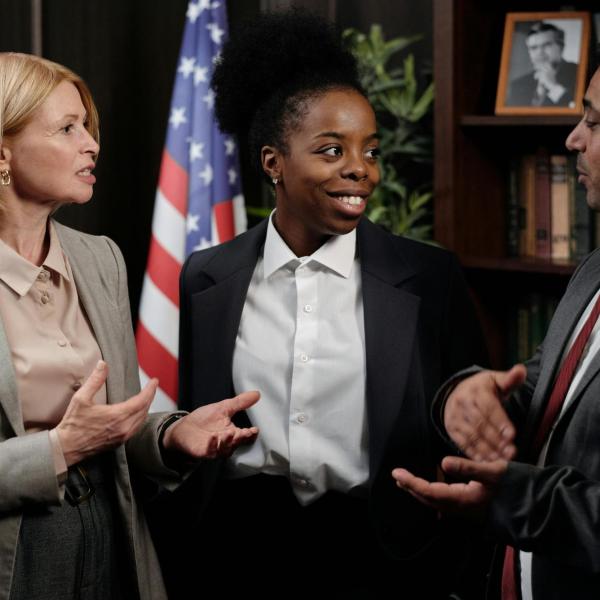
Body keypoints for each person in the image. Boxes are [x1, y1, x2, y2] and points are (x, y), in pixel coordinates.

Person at [151, 9, 488, 599]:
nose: (360, 169)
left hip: (384, 559)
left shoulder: (429, 280)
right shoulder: (208, 278)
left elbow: (464, 438)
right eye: (332, 150)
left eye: (371, 151)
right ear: (272, 162)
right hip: (236, 556)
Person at [0, 52, 260, 600]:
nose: (91, 144)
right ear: (3, 150)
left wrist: (171, 435)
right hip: (16, 553)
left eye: (87, 127)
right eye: (67, 129)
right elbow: (77, 438)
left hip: (115, 535)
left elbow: (112, 423)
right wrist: (58, 450)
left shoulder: (100, 259)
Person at [393, 65, 600, 599]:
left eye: (594, 122)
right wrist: (464, 396)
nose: (572, 137)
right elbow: (540, 388)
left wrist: (512, 500)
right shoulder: (593, 269)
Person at [506, 21, 578, 108]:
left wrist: (553, 86)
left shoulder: (579, 73)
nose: (540, 52)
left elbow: (582, 111)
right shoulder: (518, 84)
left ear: (561, 47)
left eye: (546, 45)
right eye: (534, 48)